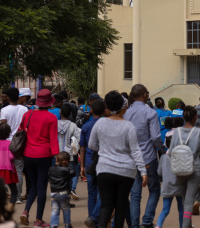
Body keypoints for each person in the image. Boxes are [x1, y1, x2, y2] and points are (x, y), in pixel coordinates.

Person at [88, 90, 147, 228]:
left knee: (106, 205)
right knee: (121, 205)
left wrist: (104, 149)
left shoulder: (100, 123)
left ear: (106, 106)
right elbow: (135, 151)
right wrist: (143, 172)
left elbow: (91, 145)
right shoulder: (128, 126)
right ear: (123, 107)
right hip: (126, 171)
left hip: (104, 169)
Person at [124, 85, 165, 228]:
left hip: (131, 158)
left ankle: (134, 224)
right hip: (148, 157)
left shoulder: (126, 113)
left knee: (135, 194)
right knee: (154, 190)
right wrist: (163, 149)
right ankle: (147, 221)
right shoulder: (150, 112)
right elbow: (155, 137)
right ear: (143, 94)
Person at [19, 89, 60, 228]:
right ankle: (38, 220)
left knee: (33, 186)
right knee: (42, 187)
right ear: (49, 103)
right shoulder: (51, 118)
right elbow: (53, 139)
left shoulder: (27, 114)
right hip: (44, 155)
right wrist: (58, 157)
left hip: (28, 154)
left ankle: (25, 212)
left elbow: (20, 130)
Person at [169, 106, 200, 228]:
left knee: (183, 201)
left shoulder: (176, 132)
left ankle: (187, 224)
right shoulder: (198, 132)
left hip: (179, 170)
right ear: (195, 117)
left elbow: (171, 151)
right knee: (189, 201)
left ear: (183, 117)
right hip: (195, 169)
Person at [0, 87, 28, 204]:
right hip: (20, 143)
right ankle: (18, 196)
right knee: (19, 170)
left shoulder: (4, 110)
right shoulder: (25, 109)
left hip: (7, 143)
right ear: (18, 97)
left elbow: (2, 127)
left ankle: (7, 193)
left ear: (9, 97)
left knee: (6, 169)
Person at [80, 99, 106, 228]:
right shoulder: (106, 125)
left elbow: (83, 148)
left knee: (91, 192)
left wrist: (82, 166)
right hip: (103, 163)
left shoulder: (86, 126)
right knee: (103, 192)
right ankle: (96, 217)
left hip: (90, 163)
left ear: (91, 110)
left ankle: (92, 219)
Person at [156, 135, 183, 228]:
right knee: (181, 209)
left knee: (165, 210)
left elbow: (159, 172)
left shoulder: (163, 157)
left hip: (167, 187)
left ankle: (158, 225)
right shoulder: (180, 157)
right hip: (179, 186)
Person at [0, 123, 18, 210]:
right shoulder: (9, 143)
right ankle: (8, 212)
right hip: (7, 169)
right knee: (14, 192)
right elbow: (11, 157)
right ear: (8, 133)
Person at [57, 104, 81, 201]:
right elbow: (79, 138)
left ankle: (60, 195)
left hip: (57, 154)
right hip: (69, 154)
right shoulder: (73, 125)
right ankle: (69, 192)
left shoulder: (55, 123)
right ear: (70, 113)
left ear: (60, 113)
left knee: (59, 176)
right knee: (70, 174)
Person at [48, 152, 76, 228]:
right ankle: (67, 224)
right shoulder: (66, 170)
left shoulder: (51, 169)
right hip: (63, 192)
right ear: (65, 161)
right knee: (66, 209)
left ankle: (53, 225)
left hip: (53, 192)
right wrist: (70, 166)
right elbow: (73, 173)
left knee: (55, 210)